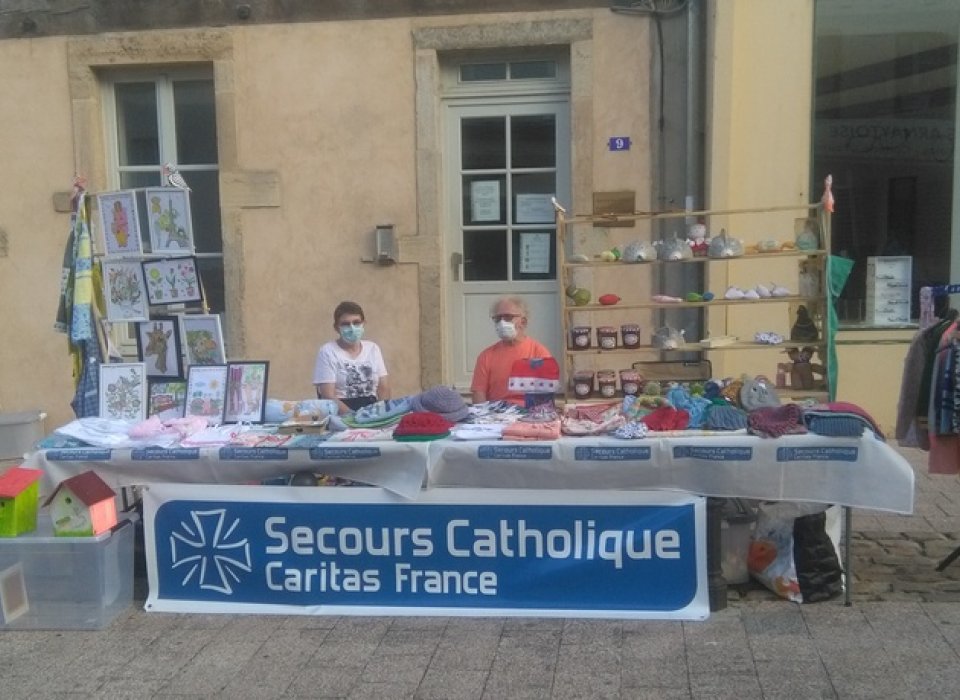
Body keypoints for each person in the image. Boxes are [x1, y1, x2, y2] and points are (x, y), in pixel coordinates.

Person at [471, 296, 553, 405]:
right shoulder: (486, 356)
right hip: (496, 416)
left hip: (529, 415)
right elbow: (478, 394)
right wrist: (483, 418)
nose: (502, 323)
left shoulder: (539, 353)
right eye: (498, 319)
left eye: (508, 317)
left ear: (523, 322)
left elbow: (545, 396)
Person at [313, 301, 390, 414]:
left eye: (356, 322)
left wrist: (381, 413)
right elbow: (328, 395)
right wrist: (354, 418)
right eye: (345, 324)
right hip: (342, 413)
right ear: (336, 327)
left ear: (363, 323)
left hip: (372, 411)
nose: (352, 328)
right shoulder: (327, 352)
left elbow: (384, 387)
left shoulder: (373, 349)